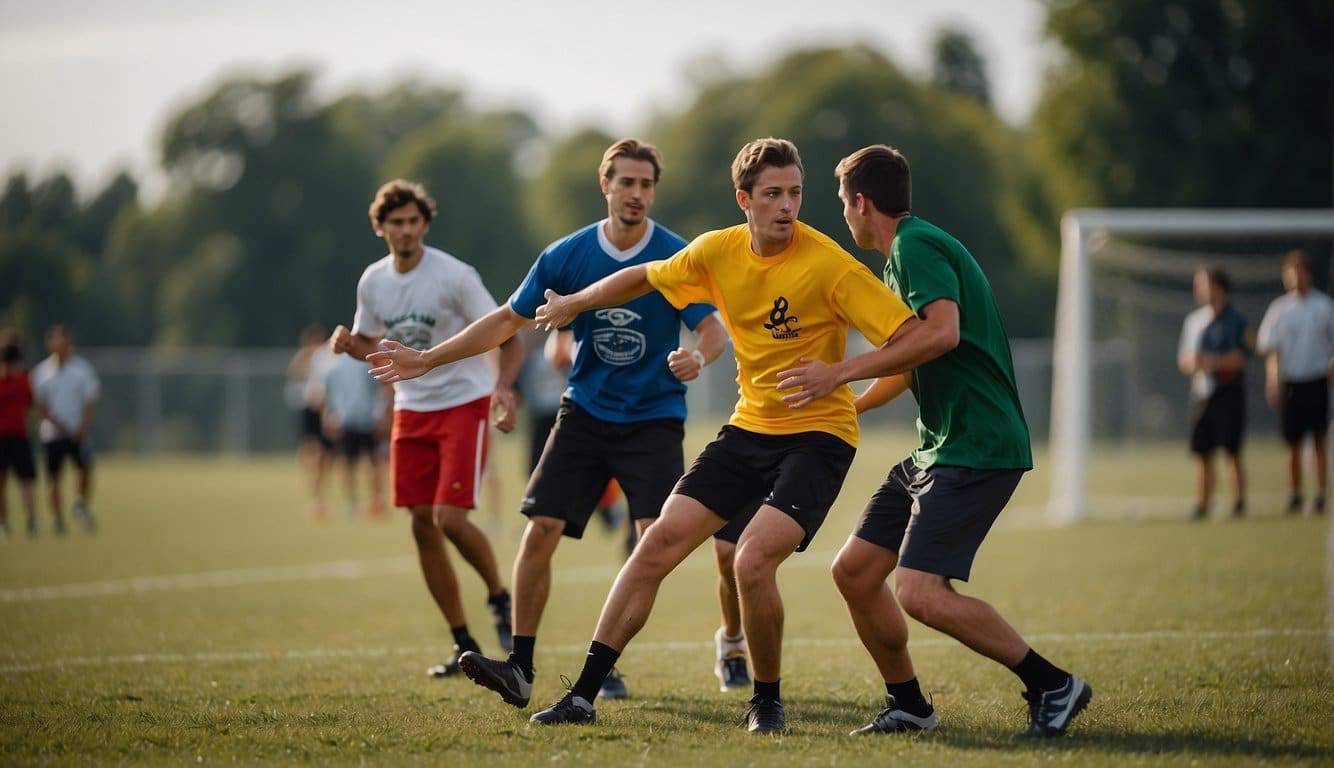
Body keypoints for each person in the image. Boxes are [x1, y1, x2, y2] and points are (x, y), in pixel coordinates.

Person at [475, 137, 918, 733]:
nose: (787, 206)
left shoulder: (830, 264)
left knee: (751, 560)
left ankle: (765, 701)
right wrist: (577, 301)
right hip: (747, 430)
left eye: (795, 194)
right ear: (744, 199)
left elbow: (909, 343)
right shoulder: (716, 251)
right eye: (772, 195)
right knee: (654, 544)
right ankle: (581, 694)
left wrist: (841, 382)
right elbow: (640, 278)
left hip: (818, 438)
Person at [367, 138, 746, 706]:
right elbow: (502, 322)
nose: (636, 193)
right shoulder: (566, 255)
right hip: (585, 413)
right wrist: (426, 358)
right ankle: (519, 667)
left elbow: (714, 331)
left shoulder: (675, 254)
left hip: (654, 421)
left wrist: (699, 356)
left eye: (646, 184)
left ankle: (605, 664)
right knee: (539, 530)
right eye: (626, 182)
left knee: (650, 543)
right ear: (606, 185)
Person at [772, 144, 1090, 738]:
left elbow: (941, 335)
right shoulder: (899, 261)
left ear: (862, 203)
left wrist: (837, 373)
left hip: (976, 445)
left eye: (843, 203)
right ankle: (909, 705)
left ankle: (1053, 684)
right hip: (937, 447)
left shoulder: (915, 246)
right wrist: (844, 407)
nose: (843, 215)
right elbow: (906, 365)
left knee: (919, 592)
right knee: (856, 572)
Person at [330, 179, 521, 678]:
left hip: (463, 403)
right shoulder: (373, 281)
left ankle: (500, 599)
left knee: (450, 519)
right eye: (396, 222)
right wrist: (349, 342)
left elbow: (507, 329)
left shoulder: (455, 275)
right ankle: (462, 642)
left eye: (415, 221)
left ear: (424, 225)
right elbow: (375, 344)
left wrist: (502, 388)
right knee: (421, 523)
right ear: (380, 228)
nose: (407, 230)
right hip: (410, 409)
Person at [1258, 250, 1334, 516]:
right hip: (1291, 382)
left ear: (1308, 274)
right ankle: (1295, 494)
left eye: (1299, 273)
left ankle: (1322, 494)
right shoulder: (1280, 309)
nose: (1294, 279)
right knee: (1292, 443)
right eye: (1290, 274)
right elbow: (1270, 348)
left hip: (1316, 379)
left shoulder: (1324, 306)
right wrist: (1272, 380)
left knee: (1318, 440)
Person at [1178, 268, 1251, 520]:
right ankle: (1202, 504)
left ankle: (1239, 503)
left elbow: (1241, 357)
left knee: (1231, 450)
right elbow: (1185, 359)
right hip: (1202, 393)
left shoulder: (1236, 321)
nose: (1198, 291)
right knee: (1202, 452)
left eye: (1203, 285)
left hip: (1228, 393)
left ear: (1218, 287)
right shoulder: (1194, 321)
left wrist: (1211, 362)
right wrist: (1196, 362)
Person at [322, 352, 389, 519]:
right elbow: (380, 392)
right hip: (364, 419)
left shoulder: (333, 366)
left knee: (351, 464)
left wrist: (330, 417)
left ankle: (356, 504)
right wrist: (380, 415)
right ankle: (374, 501)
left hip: (349, 420)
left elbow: (328, 398)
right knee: (371, 462)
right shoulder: (365, 364)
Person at [288, 324, 336, 520]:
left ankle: (318, 495)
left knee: (325, 453)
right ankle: (317, 496)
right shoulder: (309, 356)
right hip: (313, 407)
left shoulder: (326, 355)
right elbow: (295, 371)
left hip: (324, 408)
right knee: (314, 448)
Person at [0, 331, 38, 539]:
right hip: (4, 438)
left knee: (26, 481)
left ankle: (31, 521)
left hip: (18, 437)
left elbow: (30, 403)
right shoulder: (22, 380)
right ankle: (4, 523)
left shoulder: (22, 381)